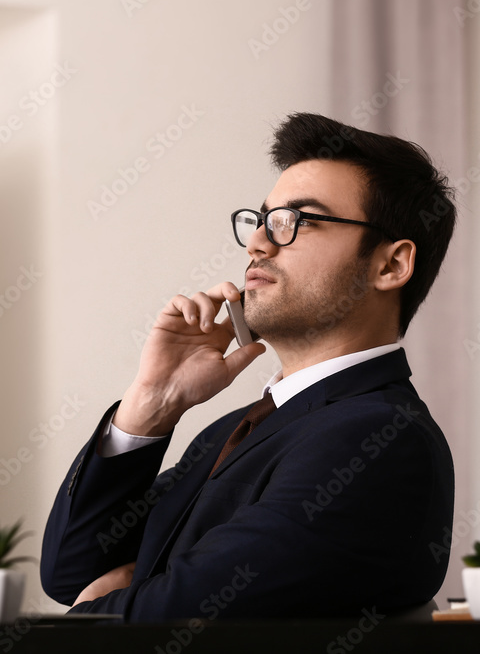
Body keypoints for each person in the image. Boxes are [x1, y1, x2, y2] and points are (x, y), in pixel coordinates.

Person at [40, 113, 456, 622]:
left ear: (390, 265)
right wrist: (152, 404)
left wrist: (110, 603)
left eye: (297, 221)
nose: (259, 242)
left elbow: (179, 614)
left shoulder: (379, 438)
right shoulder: (231, 431)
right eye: (262, 219)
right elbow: (70, 572)